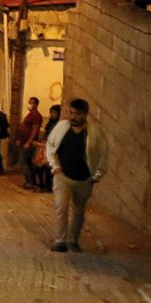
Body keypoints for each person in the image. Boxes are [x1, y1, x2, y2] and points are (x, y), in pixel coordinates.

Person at [46, 98, 109, 253]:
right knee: (61, 206)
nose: (73, 117)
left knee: (78, 211)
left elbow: (103, 154)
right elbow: (50, 145)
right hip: (63, 176)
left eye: (77, 114)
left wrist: (96, 176)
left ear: (85, 114)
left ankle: (73, 240)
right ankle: (60, 241)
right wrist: (55, 167)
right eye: (71, 113)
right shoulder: (62, 127)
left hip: (84, 179)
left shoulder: (95, 132)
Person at [15, 97, 44, 189]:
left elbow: (35, 130)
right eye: (29, 102)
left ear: (36, 104)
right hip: (24, 141)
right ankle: (29, 181)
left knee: (24, 161)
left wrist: (28, 142)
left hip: (29, 143)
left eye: (32, 103)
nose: (30, 104)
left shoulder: (36, 115)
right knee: (26, 162)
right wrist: (20, 139)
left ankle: (30, 182)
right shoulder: (30, 114)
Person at [34, 104, 61, 192]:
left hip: (52, 150)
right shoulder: (50, 123)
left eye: (54, 113)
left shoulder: (59, 124)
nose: (52, 115)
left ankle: (48, 187)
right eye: (51, 112)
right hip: (45, 148)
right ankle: (42, 185)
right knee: (40, 168)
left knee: (48, 169)